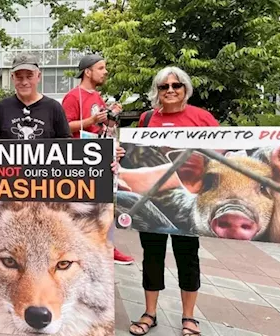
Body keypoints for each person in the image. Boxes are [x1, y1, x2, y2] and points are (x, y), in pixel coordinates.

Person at [126, 66, 219, 336]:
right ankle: (149, 313)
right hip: (152, 198)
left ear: (185, 89)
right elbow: (132, 154)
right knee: (152, 256)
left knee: (187, 257)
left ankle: (189, 317)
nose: (170, 91)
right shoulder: (146, 119)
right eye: (164, 87)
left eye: (176, 86)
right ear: (157, 91)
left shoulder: (202, 118)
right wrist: (120, 150)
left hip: (191, 200)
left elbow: (224, 152)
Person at [62, 54, 134, 265]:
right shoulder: (73, 96)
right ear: (88, 71)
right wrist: (91, 120)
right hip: (79, 160)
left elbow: (102, 130)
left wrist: (111, 119)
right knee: (80, 208)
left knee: (103, 205)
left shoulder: (98, 97)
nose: (105, 72)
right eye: (101, 68)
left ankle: (107, 246)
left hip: (98, 157)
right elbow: (64, 127)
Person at [0, 52, 71, 140]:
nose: (24, 82)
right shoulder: (2, 107)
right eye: (19, 77)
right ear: (12, 77)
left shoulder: (54, 107)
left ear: (39, 76)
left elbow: (66, 144)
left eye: (29, 76)